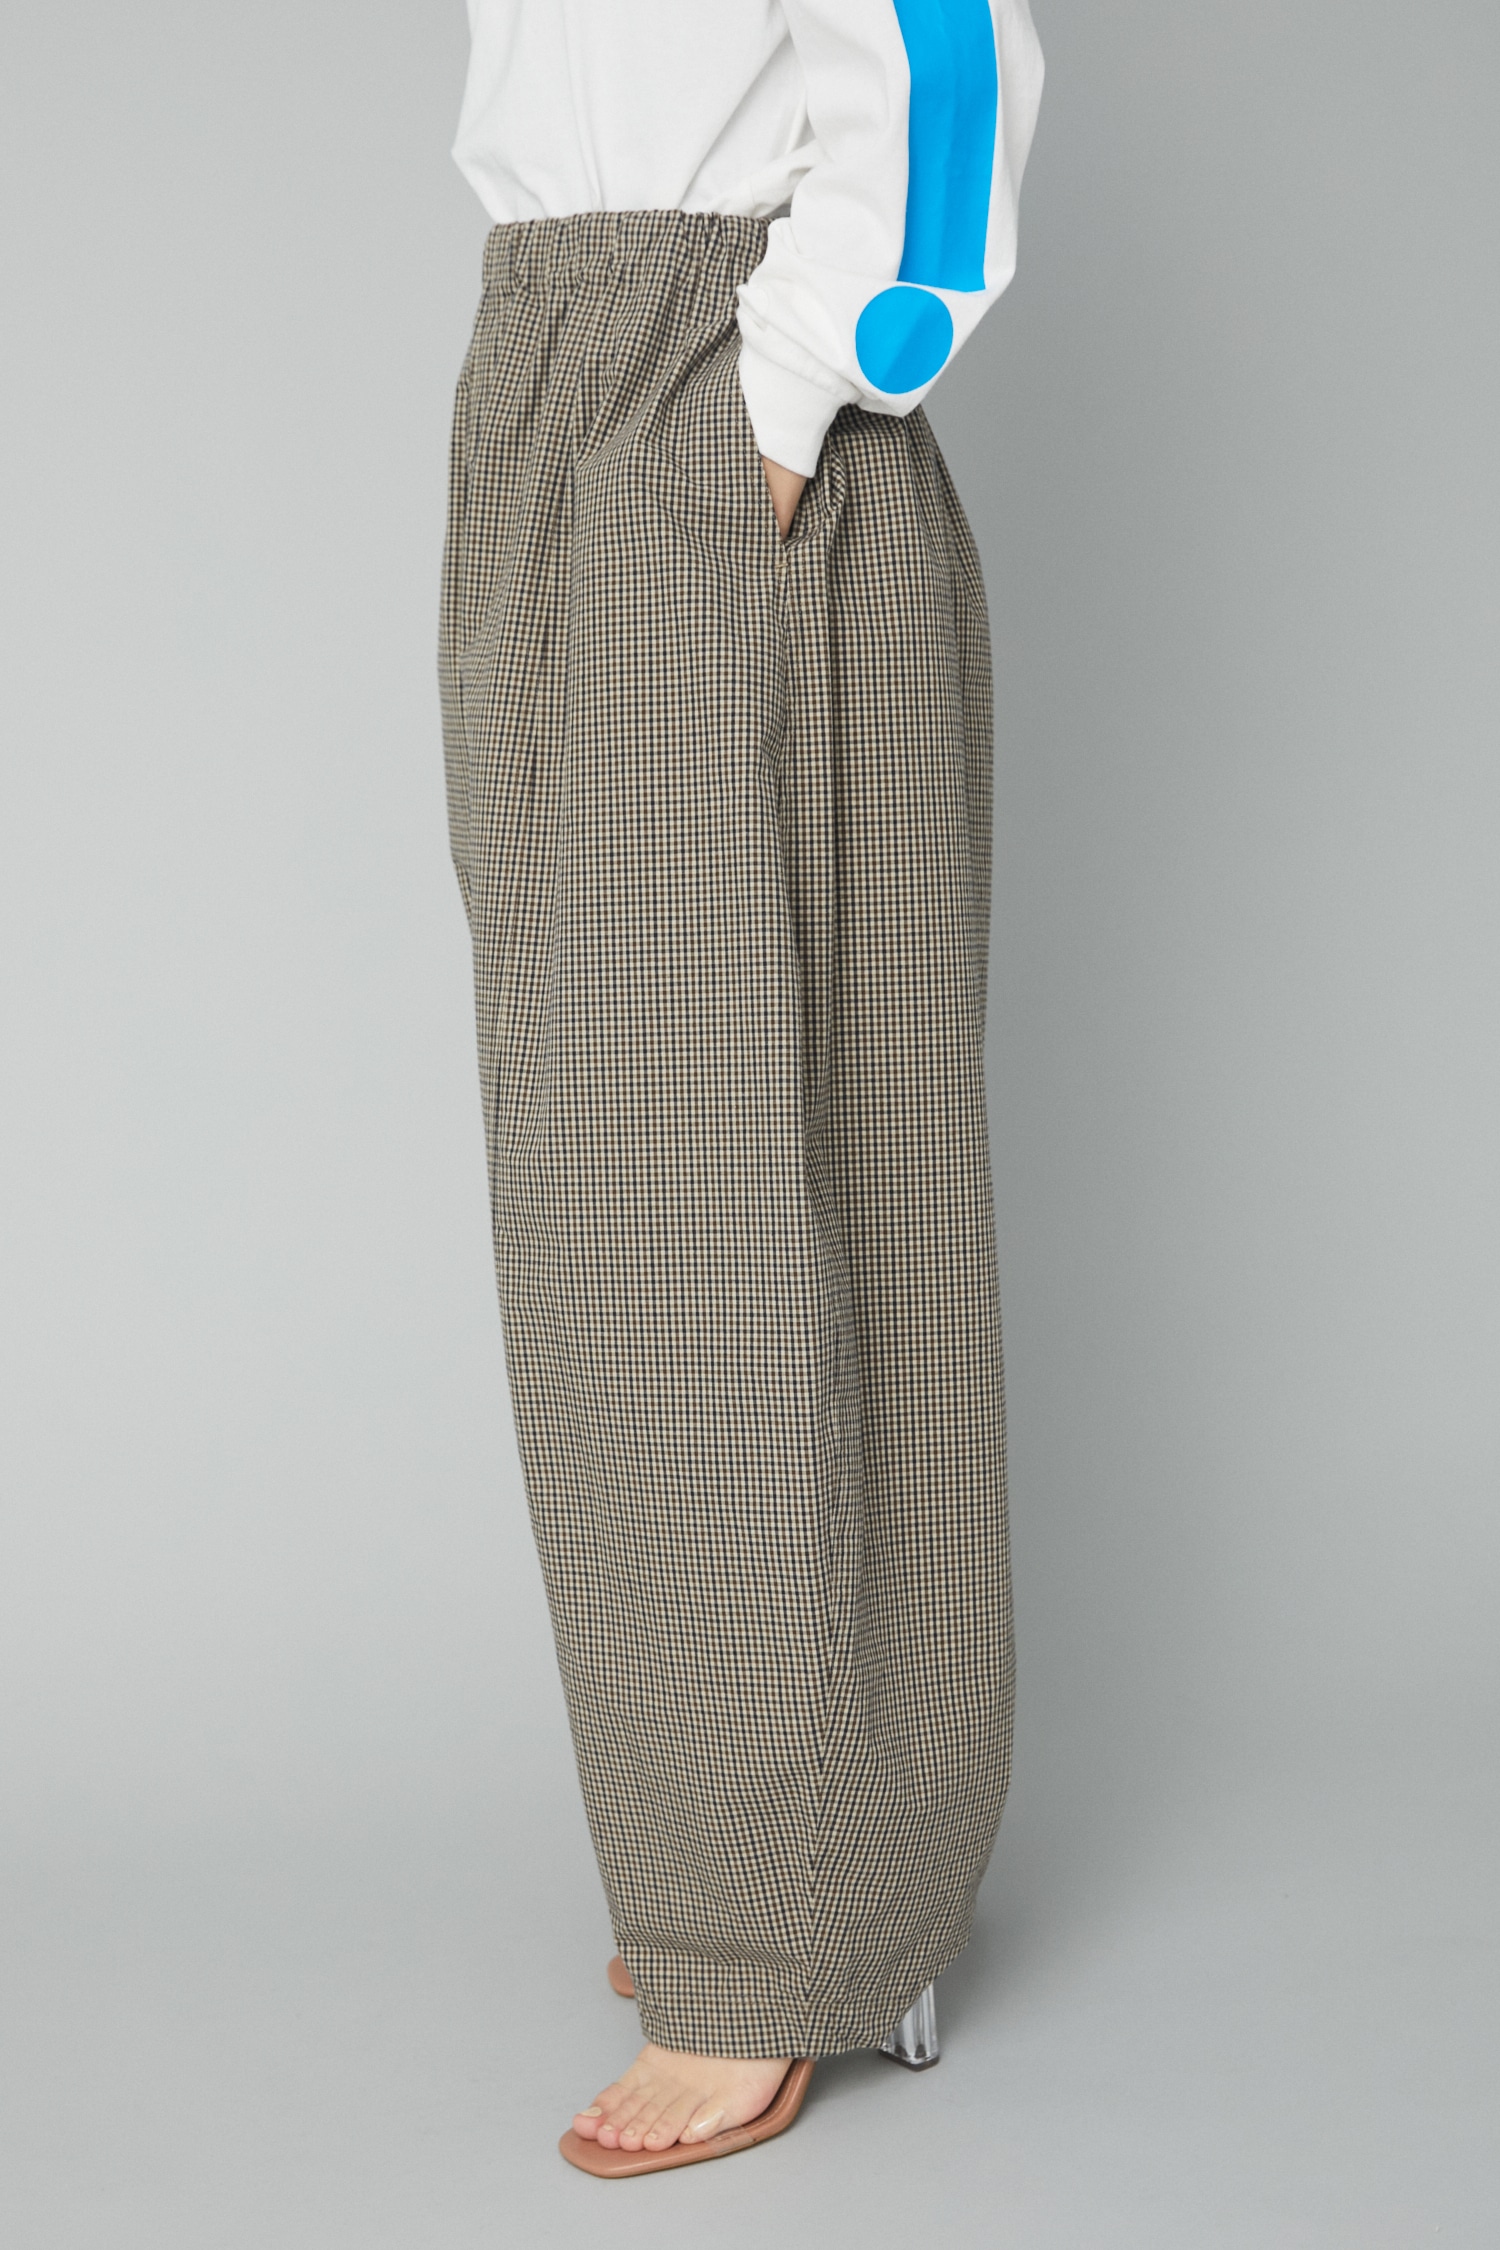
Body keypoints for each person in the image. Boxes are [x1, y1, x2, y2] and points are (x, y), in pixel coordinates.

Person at [438, 0, 1044, 2177]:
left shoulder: (750, 392)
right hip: (545, 358)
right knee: (599, 1159)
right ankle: (750, 1833)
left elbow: (951, 55)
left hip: (713, 371)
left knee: (732, 1181)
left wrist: (779, 399)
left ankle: (782, 1914)